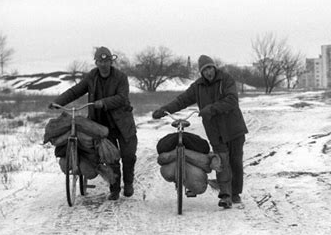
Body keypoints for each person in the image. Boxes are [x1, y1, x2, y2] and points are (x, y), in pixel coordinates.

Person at [152, 55, 248, 208]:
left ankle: (235, 192)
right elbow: (182, 100)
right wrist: (164, 109)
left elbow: (231, 100)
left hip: (234, 128)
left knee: (235, 162)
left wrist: (211, 108)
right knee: (221, 162)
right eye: (205, 70)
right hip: (215, 131)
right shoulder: (198, 86)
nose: (208, 72)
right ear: (201, 72)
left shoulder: (226, 79)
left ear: (214, 68)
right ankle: (226, 196)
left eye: (210, 68)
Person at [50, 46, 137, 201]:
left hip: (123, 125)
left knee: (128, 156)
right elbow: (76, 91)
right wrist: (58, 102)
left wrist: (103, 103)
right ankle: (115, 189)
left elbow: (122, 97)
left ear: (111, 61)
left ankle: (128, 183)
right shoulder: (92, 77)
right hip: (103, 126)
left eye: (106, 61)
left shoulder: (121, 77)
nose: (103, 64)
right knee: (111, 157)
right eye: (100, 61)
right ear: (96, 62)